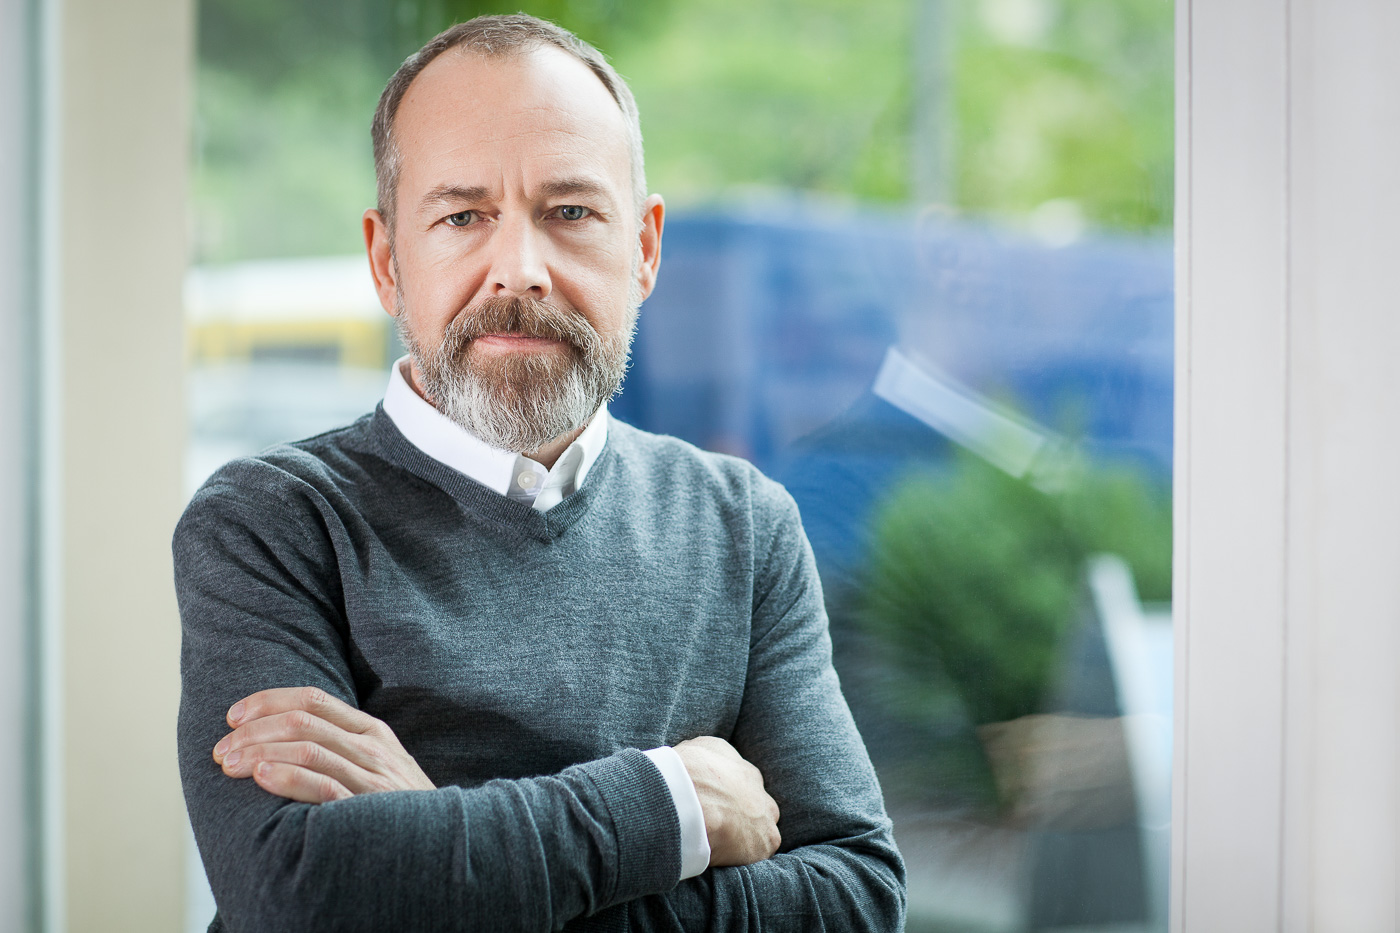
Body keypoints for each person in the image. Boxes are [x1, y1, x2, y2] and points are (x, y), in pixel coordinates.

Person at [174, 14, 904, 933]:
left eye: (570, 213)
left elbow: (855, 899)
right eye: (462, 216)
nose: (518, 269)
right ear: (388, 261)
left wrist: (437, 849)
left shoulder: (745, 527)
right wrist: (671, 802)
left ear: (644, 249)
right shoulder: (272, 523)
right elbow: (297, 896)